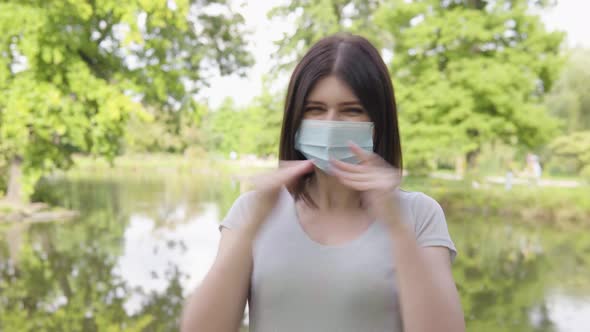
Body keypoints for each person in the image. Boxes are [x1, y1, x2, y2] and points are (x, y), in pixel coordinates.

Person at [180, 33, 465, 332]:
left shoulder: (418, 215)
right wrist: (252, 228)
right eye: (315, 109)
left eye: (351, 110)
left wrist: (397, 229)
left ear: (378, 122)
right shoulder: (252, 210)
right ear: (296, 120)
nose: (331, 124)